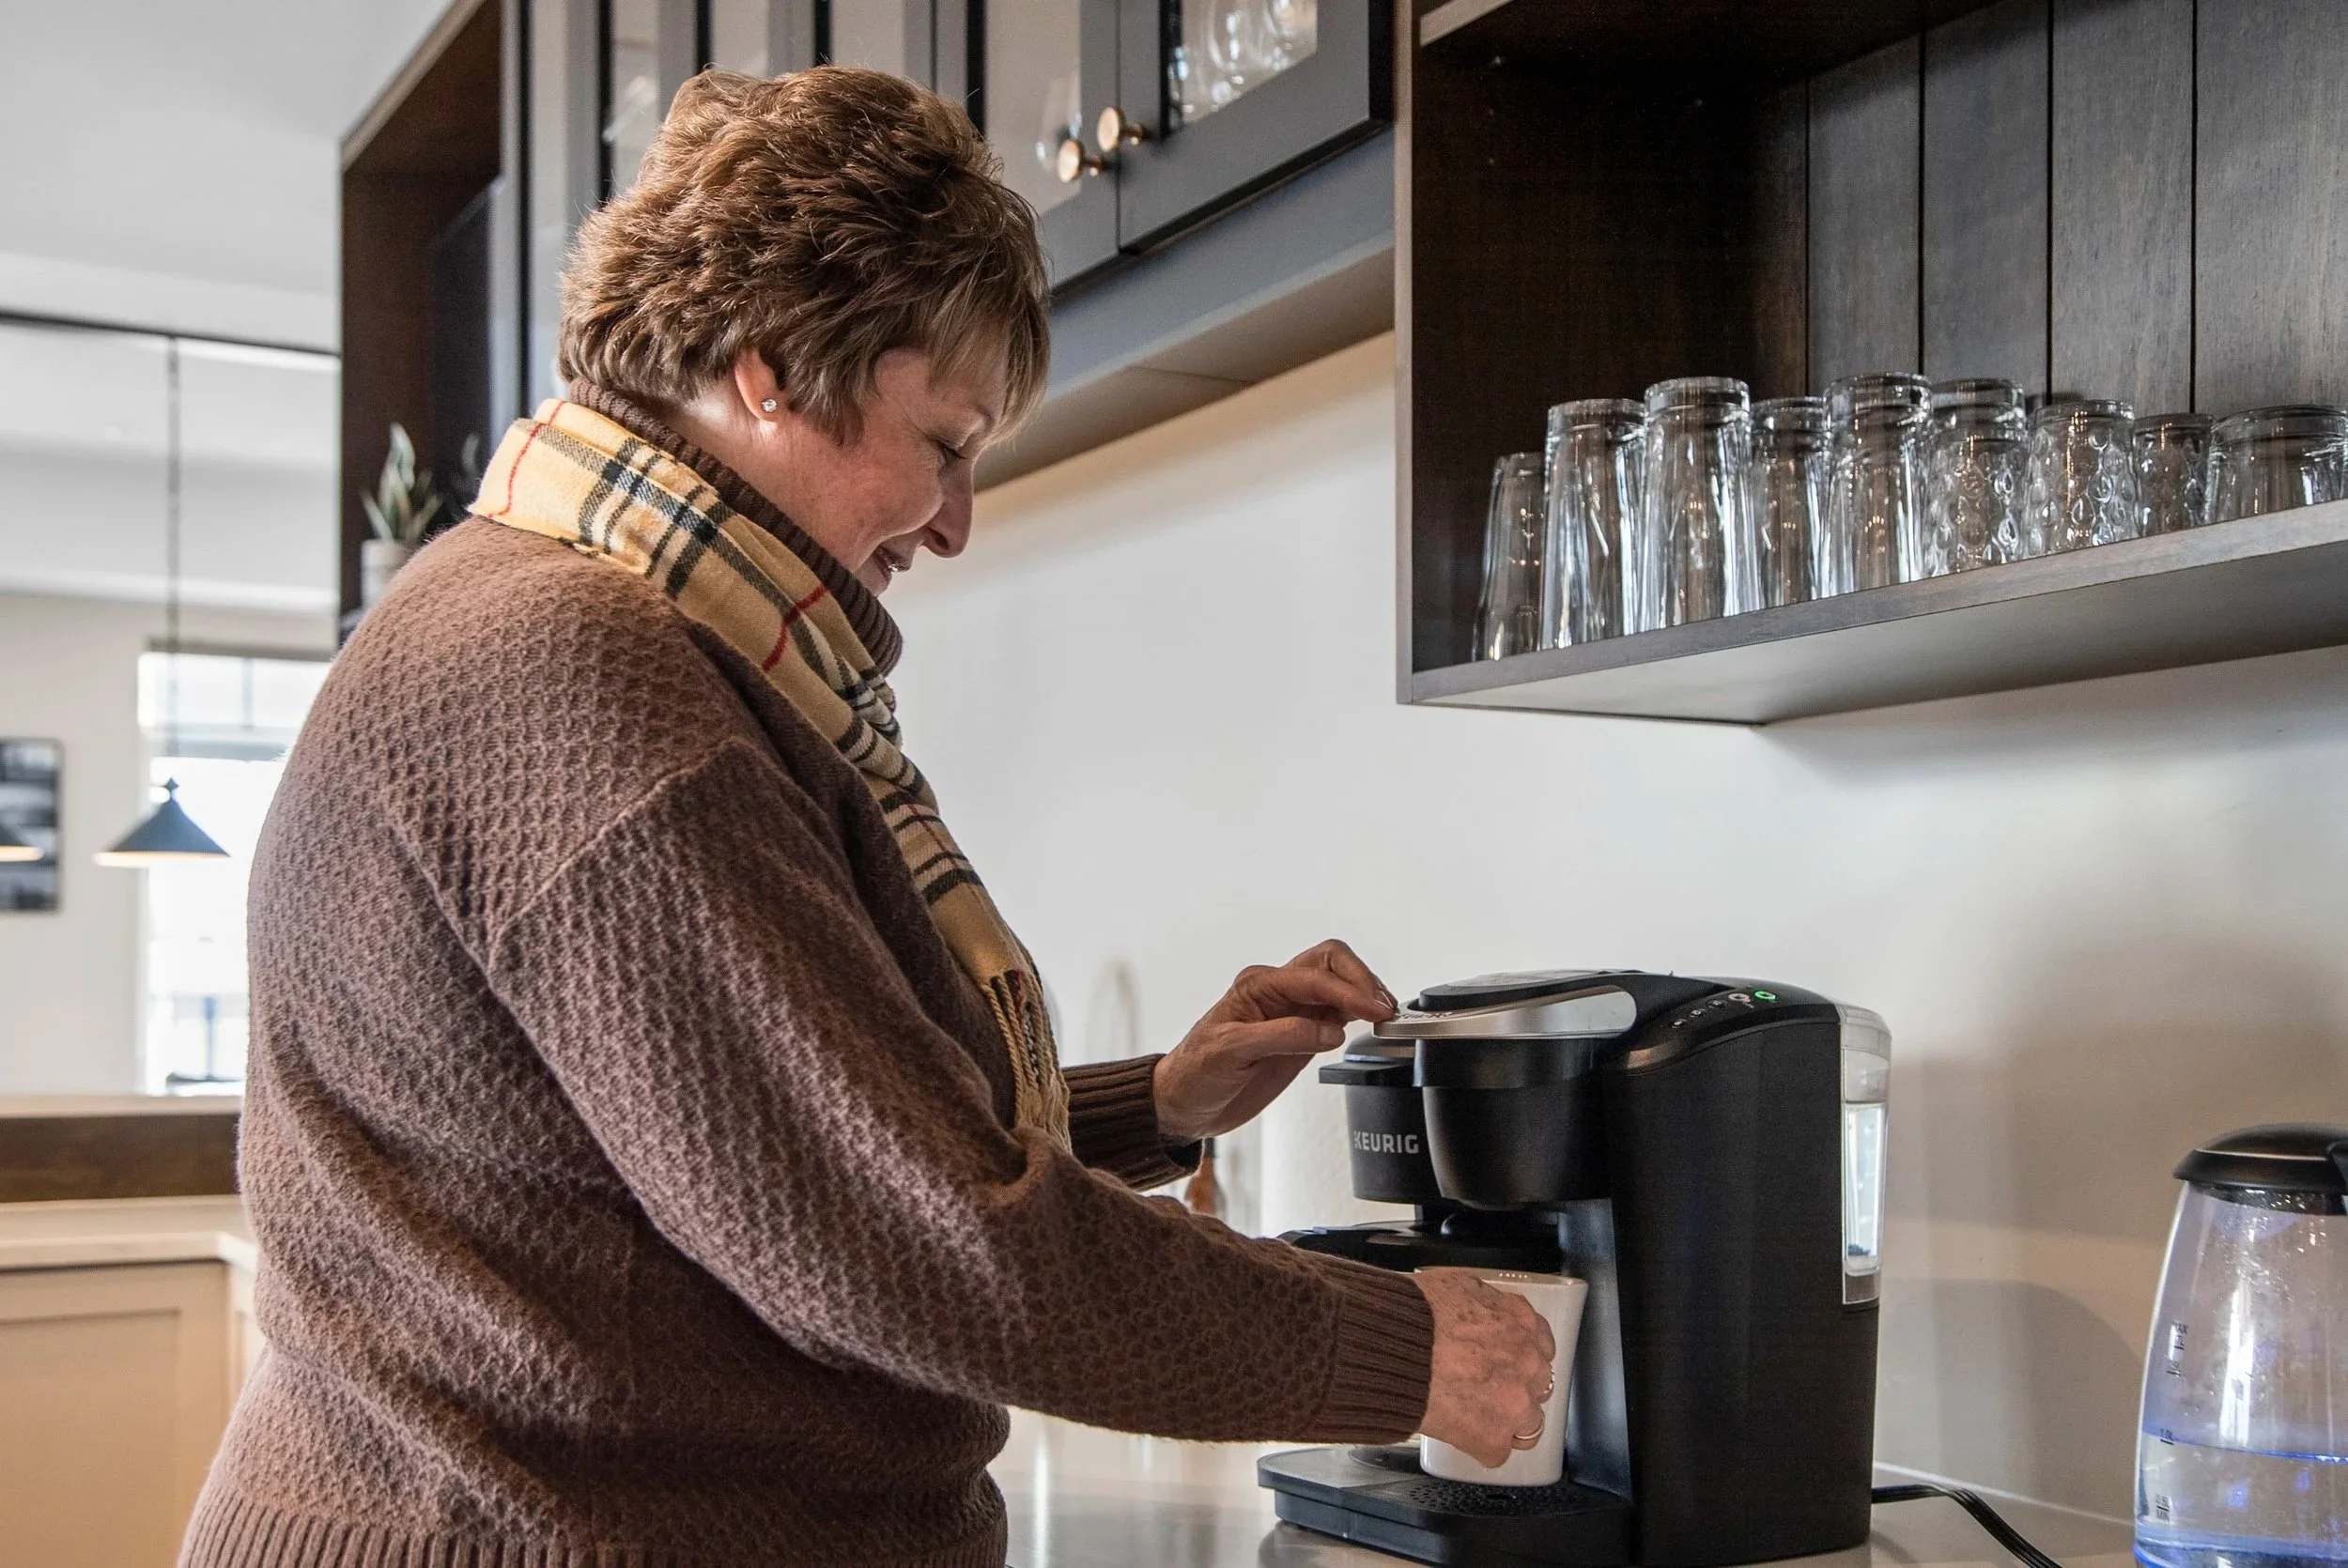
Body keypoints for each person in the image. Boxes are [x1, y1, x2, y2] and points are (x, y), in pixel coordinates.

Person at [181, 66, 1552, 1568]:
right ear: (770, 364)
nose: (959, 519)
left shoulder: (585, 612)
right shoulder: (586, 672)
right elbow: (908, 1231)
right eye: (946, 441)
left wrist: (1154, 1103)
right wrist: (1394, 1343)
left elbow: (763, 1147)